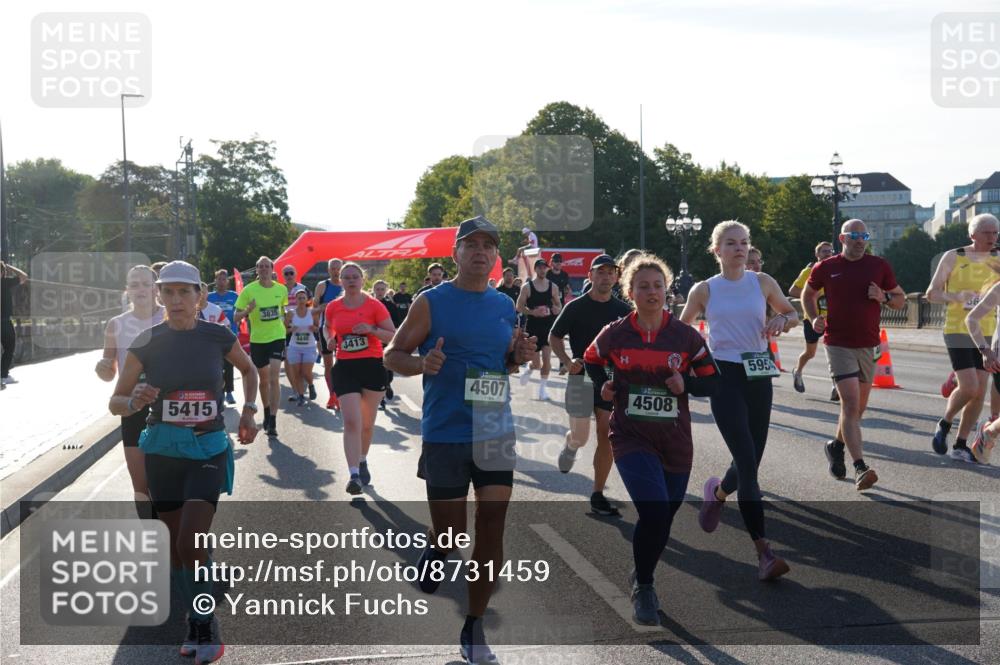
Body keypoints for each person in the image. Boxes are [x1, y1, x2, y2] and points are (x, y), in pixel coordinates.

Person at [385, 215, 535, 663]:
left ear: (496, 257)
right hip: (446, 431)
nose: (480, 252)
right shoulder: (431, 302)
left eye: (488, 246)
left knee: (491, 525)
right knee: (452, 535)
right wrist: (421, 365)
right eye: (471, 244)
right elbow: (393, 355)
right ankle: (437, 545)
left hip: (493, 426)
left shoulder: (505, 306)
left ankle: (474, 625)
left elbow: (502, 362)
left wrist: (517, 357)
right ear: (455, 254)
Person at [108, 260, 259, 664]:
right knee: (175, 549)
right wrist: (134, 400)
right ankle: (195, 616)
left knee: (191, 540)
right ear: (159, 296)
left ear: (199, 297)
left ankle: (207, 624)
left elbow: (248, 370)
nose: (176, 300)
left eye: (184, 292)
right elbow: (115, 402)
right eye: (168, 292)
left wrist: (248, 409)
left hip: (207, 449)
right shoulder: (147, 340)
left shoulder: (217, 335)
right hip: (161, 450)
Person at [584, 253, 719, 626]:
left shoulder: (685, 336)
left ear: (667, 290)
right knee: (654, 512)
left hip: (675, 440)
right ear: (630, 291)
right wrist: (605, 384)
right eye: (643, 286)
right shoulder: (615, 332)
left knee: (664, 517)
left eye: (658, 285)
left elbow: (712, 380)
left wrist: (687, 383)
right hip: (630, 435)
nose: (651, 292)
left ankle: (641, 571)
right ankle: (645, 585)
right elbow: (592, 359)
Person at [681, 221, 799, 580]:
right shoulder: (704, 290)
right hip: (724, 377)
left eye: (744, 243)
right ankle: (764, 553)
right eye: (731, 243)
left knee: (751, 459)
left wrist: (783, 321)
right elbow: (681, 330)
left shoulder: (762, 282)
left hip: (758, 375)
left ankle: (716, 494)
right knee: (748, 464)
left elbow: (792, 312)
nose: (739, 249)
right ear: (716, 250)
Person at [802, 219, 906, 491]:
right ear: (842, 238)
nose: (860, 240)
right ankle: (861, 466)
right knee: (849, 403)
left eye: (864, 236)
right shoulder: (827, 267)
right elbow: (807, 294)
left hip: (869, 344)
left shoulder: (878, 265)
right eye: (854, 235)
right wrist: (814, 318)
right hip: (837, 343)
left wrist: (882, 297)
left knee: (857, 409)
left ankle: (836, 446)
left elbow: (900, 299)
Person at [549, 254, 631, 515]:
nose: (606, 276)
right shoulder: (576, 307)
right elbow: (554, 335)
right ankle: (571, 443)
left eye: (610, 272)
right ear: (590, 276)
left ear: (616, 277)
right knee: (582, 437)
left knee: (607, 433)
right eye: (600, 272)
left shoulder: (623, 311)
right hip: (581, 377)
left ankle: (597, 493)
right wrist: (565, 360)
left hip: (608, 380)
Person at [926, 213, 1000, 463]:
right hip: (958, 328)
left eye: (995, 233)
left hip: (988, 331)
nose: (993, 237)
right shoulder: (953, 257)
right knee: (969, 386)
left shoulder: (998, 259)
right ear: (973, 234)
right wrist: (957, 297)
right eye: (987, 233)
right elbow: (931, 294)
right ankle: (945, 423)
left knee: (979, 392)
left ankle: (960, 444)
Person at [95, 265, 165, 521]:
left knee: (170, 480)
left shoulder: (170, 317)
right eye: (134, 285)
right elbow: (109, 373)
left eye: (145, 284)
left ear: (155, 288)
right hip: (133, 408)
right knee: (141, 485)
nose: (140, 289)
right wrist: (102, 368)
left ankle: (182, 536)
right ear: (127, 290)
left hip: (167, 407)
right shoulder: (116, 324)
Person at [325, 263, 395, 494]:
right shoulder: (334, 307)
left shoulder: (375, 306)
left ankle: (362, 459)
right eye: (346, 277)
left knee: (366, 424)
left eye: (355, 277)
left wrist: (371, 330)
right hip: (345, 367)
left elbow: (392, 335)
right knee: (352, 422)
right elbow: (328, 328)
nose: (351, 280)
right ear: (340, 280)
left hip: (372, 366)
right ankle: (354, 474)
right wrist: (330, 338)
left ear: (362, 280)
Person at [234, 256, 289, 437]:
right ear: (256, 270)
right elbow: (235, 317)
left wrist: (287, 317)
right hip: (258, 339)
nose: (264, 269)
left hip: (277, 336)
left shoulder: (281, 289)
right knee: (263, 381)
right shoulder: (249, 290)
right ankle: (266, 411)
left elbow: (282, 310)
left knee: (274, 377)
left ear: (272, 269)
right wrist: (247, 311)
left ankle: (273, 419)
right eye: (260, 267)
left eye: (267, 266)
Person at [789, 242, 837, 399]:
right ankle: (798, 371)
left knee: (836, 352)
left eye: (830, 251)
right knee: (810, 353)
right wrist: (811, 295)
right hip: (813, 318)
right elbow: (793, 291)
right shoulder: (809, 271)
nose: (828, 253)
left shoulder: (837, 270)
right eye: (824, 251)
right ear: (817, 255)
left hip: (834, 318)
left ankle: (836, 386)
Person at [516, 258, 562, 400]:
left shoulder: (553, 286)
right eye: (540, 268)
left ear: (547, 269)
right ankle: (529, 369)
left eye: (544, 268)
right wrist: (532, 312)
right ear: (535, 269)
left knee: (547, 359)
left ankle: (542, 389)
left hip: (548, 326)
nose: (542, 270)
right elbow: (519, 306)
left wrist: (556, 309)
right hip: (533, 327)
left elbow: (559, 306)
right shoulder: (527, 287)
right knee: (536, 363)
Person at [313, 258, 344, 410]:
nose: (336, 271)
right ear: (328, 269)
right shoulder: (322, 286)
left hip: (345, 330)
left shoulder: (347, 284)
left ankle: (341, 394)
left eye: (338, 268)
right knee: (328, 365)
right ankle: (333, 395)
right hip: (325, 329)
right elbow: (314, 310)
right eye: (333, 268)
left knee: (342, 364)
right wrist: (323, 307)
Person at [207, 269, 240, 404]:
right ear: (215, 281)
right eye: (219, 279)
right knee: (215, 366)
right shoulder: (209, 297)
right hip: (212, 337)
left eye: (224, 279)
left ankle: (229, 392)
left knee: (229, 365)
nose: (221, 282)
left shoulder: (234, 296)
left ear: (228, 281)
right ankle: (217, 392)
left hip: (229, 335)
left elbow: (240, 313)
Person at [285, 289, 319, 406]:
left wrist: (314, 328)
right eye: (298, 298)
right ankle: (301, 396)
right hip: (294, 347)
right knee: (297, 373)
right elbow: (284, 330)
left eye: (303, 298)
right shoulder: (291, 313)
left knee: (306, 372)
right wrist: (290, 330)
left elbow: (317, 327)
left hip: (309, 346)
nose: (301, 300)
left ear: (307, 300)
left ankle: (311, 385)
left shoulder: (312, 312)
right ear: (295, 300)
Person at [373, 280, 400, 407]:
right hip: (372, 341)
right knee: (377, 368)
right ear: (373, 290)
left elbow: (398, 324)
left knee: (388, 368)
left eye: (382, 289)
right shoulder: (368, 304)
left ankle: (387, 383)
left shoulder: (391, 305)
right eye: (377, 289)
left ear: (386, 290)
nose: (380, 292)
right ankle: (381, 397)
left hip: (387, 340)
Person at [1, 261, 28, 385]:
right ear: (2, 272)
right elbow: (24, 276)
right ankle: (3, 375)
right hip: (4, 323)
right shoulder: (5, 283)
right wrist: (10, 266)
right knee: (9, 347)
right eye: (4, 272)